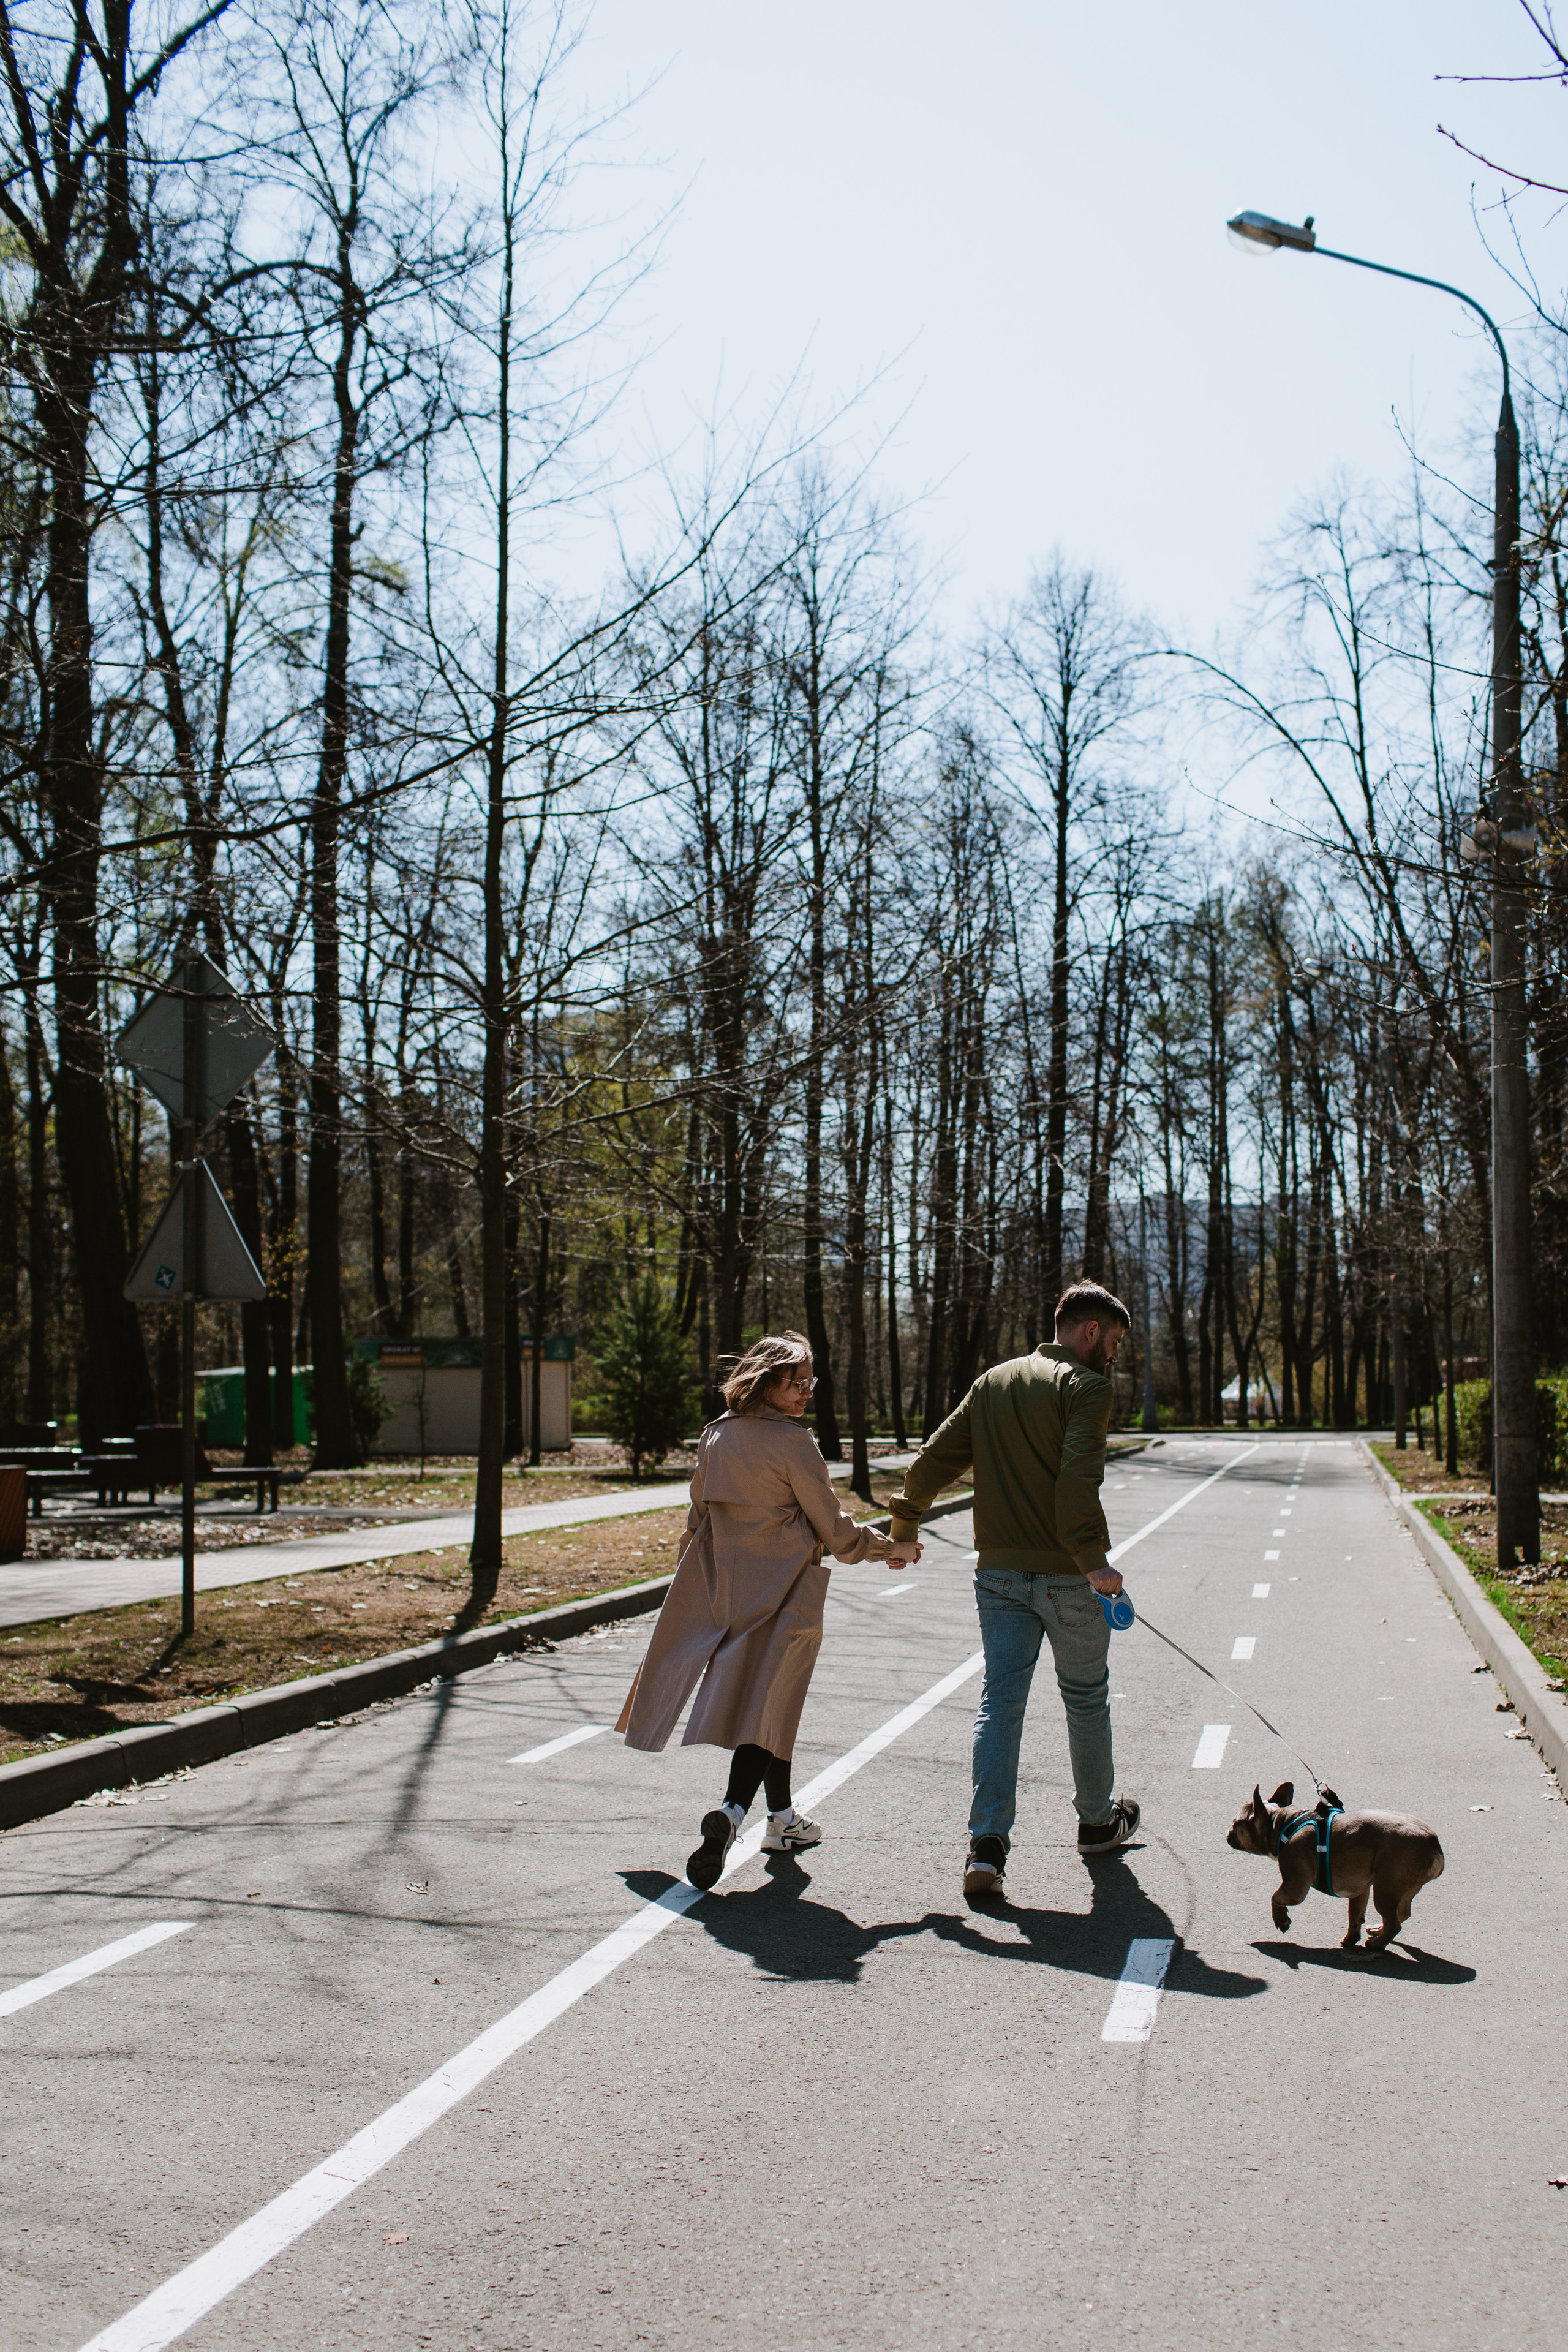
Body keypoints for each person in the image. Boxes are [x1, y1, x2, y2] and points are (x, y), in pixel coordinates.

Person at [617, 1330, 921, 1890]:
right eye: (797, 1381)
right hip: (787, 1596)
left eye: (812, 1382)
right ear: (767, 1379)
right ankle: (733, 1814)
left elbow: (697, 1522)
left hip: (726, 1593)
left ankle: (782, 1821)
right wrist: (889, 1549)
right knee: (768, 1705)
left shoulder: (715, 1437)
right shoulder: (794, 1444)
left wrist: (699, 1597)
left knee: (773, 1705)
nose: (807, 1392)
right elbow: (835, 1531)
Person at [886, 1281, 1138, 1900]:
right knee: (1085, 1697)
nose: (1115, 1354)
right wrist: (1093, 1562)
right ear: (1087, 1332)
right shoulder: (1087, 1387)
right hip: (1068, 1578)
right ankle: (1096, 1822)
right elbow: (1076, 1484)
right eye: (1114, 1342)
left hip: (996, 1574)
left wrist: (903, 1524)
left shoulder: (993, 1382)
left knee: (1001, 1704)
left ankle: (987, 1847)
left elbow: (935, 1458)